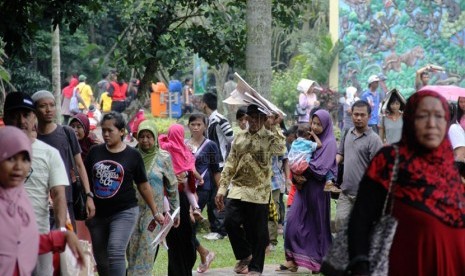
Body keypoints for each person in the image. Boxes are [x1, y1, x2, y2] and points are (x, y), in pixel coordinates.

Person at [347, 89, 465, 275]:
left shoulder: (449, 167)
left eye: (439, 116)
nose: (432, 124)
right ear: (410, 119)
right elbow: (360, 219)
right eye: (423, 116)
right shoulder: (390, 160)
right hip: (403, 265)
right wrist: (360, 264)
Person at [84, 112, 163, 276]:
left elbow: (143, 186)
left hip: (124, 212)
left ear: (121, 132)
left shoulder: (133, 155)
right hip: (97, 213)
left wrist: (156, 212)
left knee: (115, 250)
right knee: (102, 259)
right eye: (103, 130)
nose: (106, 134)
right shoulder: (94, 152)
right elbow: (85, 178)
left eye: (110, 130)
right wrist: (88, 196)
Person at [0, 126, 85, 276]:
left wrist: (61, 237)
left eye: (25, 159)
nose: (19, 166)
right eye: (11, 158)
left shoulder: (18, 200)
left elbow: (22, 244)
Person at [3, 92, 70, 275]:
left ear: (34, 118)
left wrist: (61, 229)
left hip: (39, 234)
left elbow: (58, 194)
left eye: (26, 115)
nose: (21, 121)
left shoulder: (50, 153)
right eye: (14, 115)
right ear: (5, 117)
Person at [215, 104, 286, 275]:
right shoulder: (239, 138)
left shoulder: (270, 138)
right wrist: (222, 189)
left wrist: (275, 125)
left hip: (259, 191)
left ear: (264, 118)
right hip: (239, 188)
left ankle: (255, 268)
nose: (253, 120)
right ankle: (245, 254)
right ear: (246, 119)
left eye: (258, 117)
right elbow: (230, 163)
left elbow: (281, 149)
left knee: (258, 232)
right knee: (230, 222)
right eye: (250, 117)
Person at [278, 110, 336, 273]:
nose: (315, 127)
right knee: (292, 222)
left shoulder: (330, 142)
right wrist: (295, 176)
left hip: (317, 191)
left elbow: (322, 167)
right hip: (302, 190)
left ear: (326, 125)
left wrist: (301, 171)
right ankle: (292, 259)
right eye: (313, 123)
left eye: (319, 124)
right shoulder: (304, 139)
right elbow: (294, 157)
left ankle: (317, 262)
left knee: (317, 227)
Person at [31, 90, 95, 228]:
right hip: (37, 201)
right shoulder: (31, 137)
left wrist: (89, 195)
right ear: (34, 110)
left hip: (66, 198)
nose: (49, 110)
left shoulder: (67, 133)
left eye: (52, 105)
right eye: (43, 106)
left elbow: (79, 165)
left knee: (66, 244)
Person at [127, 120, 180, 276]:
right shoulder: (131, 155)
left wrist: (175, 210)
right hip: (131, 211)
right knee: (131, 249)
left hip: (153, 214)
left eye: (149, 136)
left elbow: (172, 185)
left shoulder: (163, 157)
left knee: (147, 250)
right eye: (142, 136)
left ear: (155, 137)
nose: (145, 140)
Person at [335, 100, 383, 231]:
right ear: (352, 115)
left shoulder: (374, 139)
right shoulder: (347, 132)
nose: (358, 118)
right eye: (356, 114)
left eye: (362, 115)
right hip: (345, 191)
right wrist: (329, 165)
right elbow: (341, 154)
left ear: (369, 116)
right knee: (340, 224)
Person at [185, 113, 222, 273]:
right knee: (186, 226)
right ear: (188, 126)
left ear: (205, 126)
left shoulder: (210, 145)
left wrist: (220, 192)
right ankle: (205, 253)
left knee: (189, 224)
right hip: (185, 189)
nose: (195, 127)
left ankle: (203, 253)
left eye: (199, 124)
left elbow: (216, 171)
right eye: (193, 124)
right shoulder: (184, 144)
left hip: (203, 190)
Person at [200, 92, 234, 240]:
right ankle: (216, 227)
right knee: (211, 196)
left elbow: (231, 137)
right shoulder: (209, 120)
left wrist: (227, 157)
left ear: (204, 104)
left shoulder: (219, 119)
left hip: (219, 165)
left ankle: (221, 230)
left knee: (218, 195)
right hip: (210, 164)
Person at [159, 124, 205, 221]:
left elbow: (159, 142)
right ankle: (196, 208)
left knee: (163, 193)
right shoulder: (184, 148)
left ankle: (167, 212)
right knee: (189, 191)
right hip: (184, 176)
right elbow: (192, 169)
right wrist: (200, 179)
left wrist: (164, 137)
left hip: (170, 178)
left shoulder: (168, 145)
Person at [449, 96, 465, 160]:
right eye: (461, 102)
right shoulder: (458, 116)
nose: (463, 104)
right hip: (459, 142)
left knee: (453, 127)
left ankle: (460, 158)